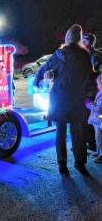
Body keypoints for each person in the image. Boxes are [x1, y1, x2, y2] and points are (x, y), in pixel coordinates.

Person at [34, 24, 92, 175]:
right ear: (79, 38)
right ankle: (80, 163)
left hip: (59, 98)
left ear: (67, 37)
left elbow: (43, 70)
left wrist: (38, 81)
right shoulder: (85, 56)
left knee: (60, 132)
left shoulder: (59, 54)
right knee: (77, 132)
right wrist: (90, 96)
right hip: (77, 99)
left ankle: (62, 165)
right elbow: (89, 78)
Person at [81, 33, 101, 152]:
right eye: (82, 40)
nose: (83, 42)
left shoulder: (95, 55)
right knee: (85, 118)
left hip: (93, 91)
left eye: (86, 40)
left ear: (91, 42)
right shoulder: (81, 53)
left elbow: (94, 71)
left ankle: (93, 144)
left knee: (94, 117)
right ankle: (87, 143)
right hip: (83, 89)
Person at [85, 74, 102, 163]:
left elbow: (98, 109)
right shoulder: (100, 92)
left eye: (98, 84)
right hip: (98, 119)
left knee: (100, 137)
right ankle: (99, 152)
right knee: (97, 136)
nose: (97, 86)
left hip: (100, 119)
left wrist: (88, 103)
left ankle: (101, 156)